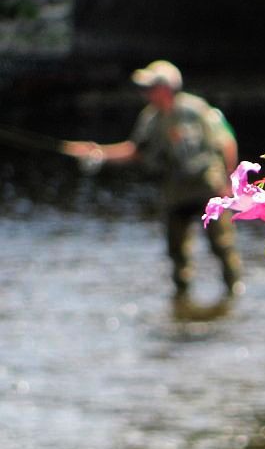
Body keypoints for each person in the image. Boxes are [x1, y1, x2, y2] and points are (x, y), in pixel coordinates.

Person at [64, 60, 243, 304]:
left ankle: (234, 290)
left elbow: (226, 140)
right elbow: (134, 151)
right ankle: (182, 298)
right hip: (175, 194)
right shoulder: (149, 119)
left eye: (151, 87)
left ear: (168, 88)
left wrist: (229, 181)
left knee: (222, 245)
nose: (146, 92)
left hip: (208, 190)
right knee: (177, 253)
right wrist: (96, 151)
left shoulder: (196, 109)